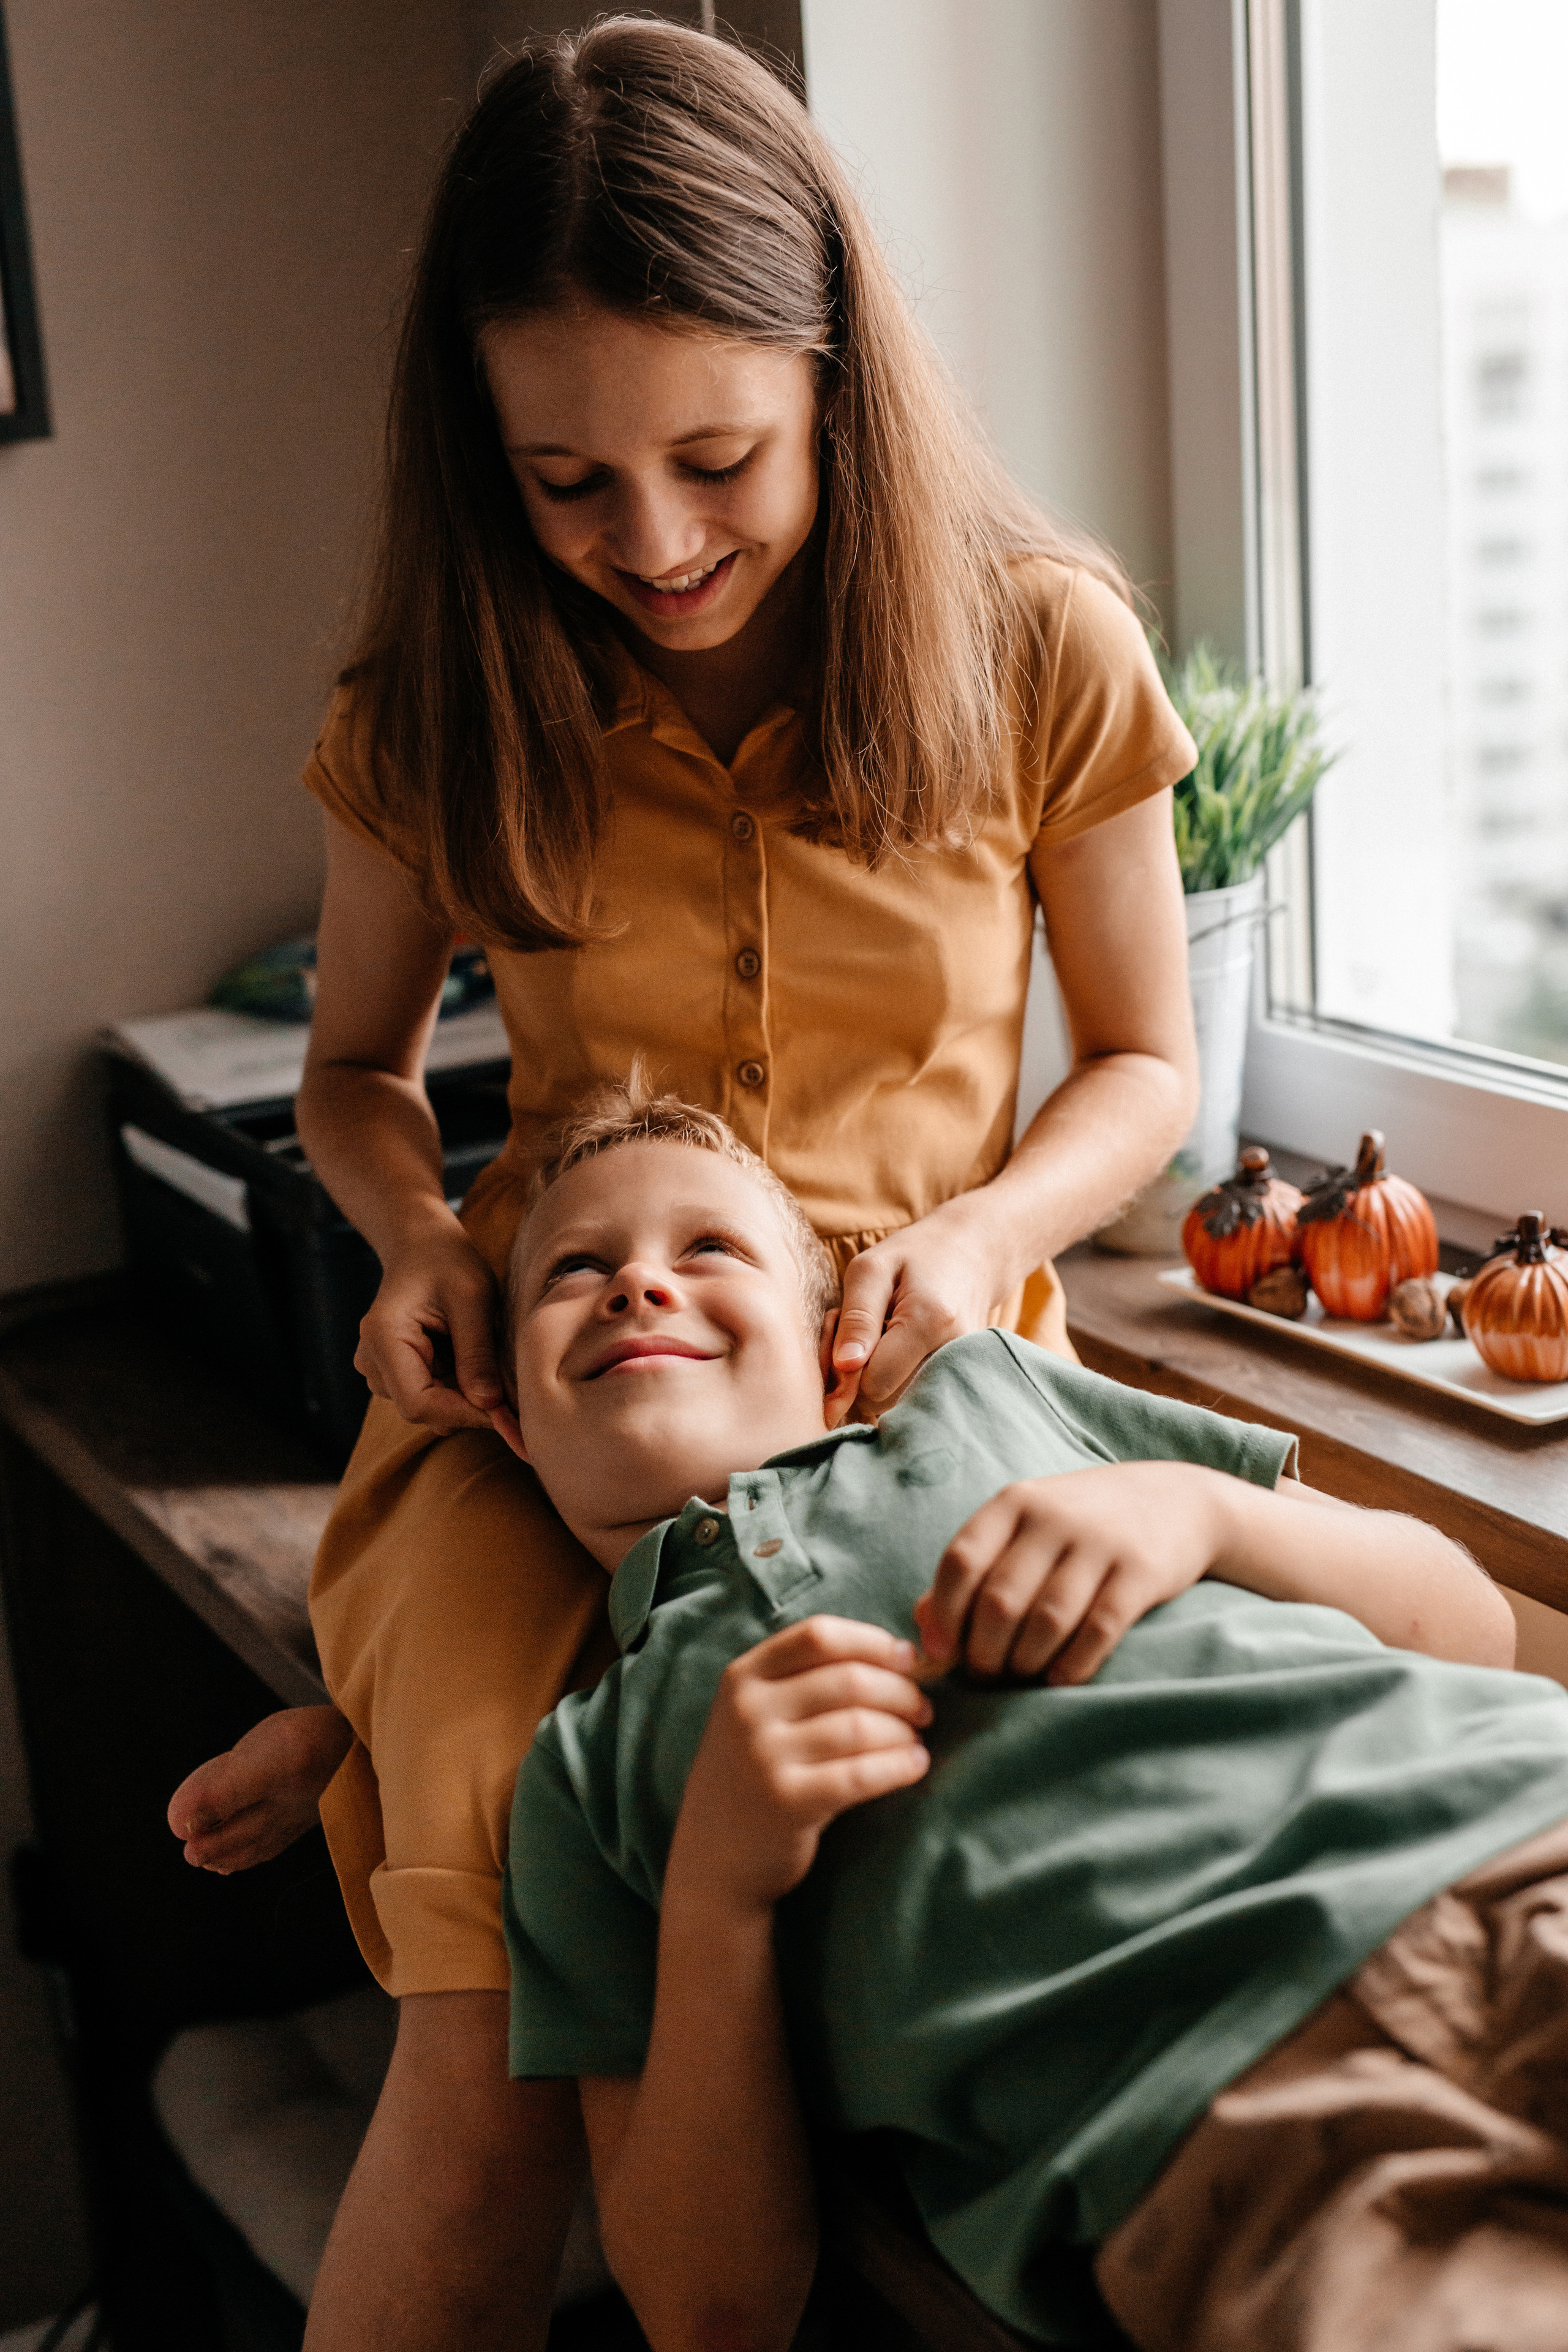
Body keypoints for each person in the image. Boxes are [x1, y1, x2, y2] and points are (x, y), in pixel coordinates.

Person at [173, 16, 1212, 2345]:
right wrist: (424, 1236)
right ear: (483, 453)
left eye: (719, 458)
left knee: (759, 2024)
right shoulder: (445, 697)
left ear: (841, 373)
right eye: (564, 482)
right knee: (488, 2052)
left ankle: (366, 1734)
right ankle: (395, 1716)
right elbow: (350, 1073)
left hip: (910, 1397)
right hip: (552, 1404)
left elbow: (1147, 1061)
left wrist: (982, 1236)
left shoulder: (1041, 645)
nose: (650, 544)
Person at [494, 1084, 1568, 2352]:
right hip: (1232, 2129)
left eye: (707, 1249)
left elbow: (1470, 1630)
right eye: (576, 1269)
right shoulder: (579, 1783)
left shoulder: (993, 1393)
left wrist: (1199, 1510)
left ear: (830, 1335)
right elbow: (706, 2310)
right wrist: (719, 1890)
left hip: (1513, 1833)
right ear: (507, 1418)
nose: (637, 1286)